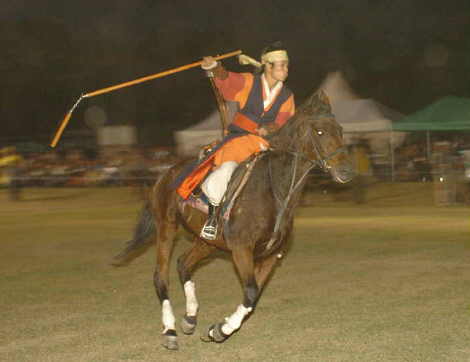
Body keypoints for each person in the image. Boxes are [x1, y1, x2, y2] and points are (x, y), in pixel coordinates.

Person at [176, 42, 295, 240]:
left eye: (286, 65)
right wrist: (215, 67)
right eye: (281, 65)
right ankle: (213, 217)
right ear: (268, 66)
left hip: (265, 146)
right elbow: (229, 80)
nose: (285, 69)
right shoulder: (250, 82)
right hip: (239, 141)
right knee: (226, 171)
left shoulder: (287, 95)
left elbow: (284, 121)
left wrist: (270, 129)